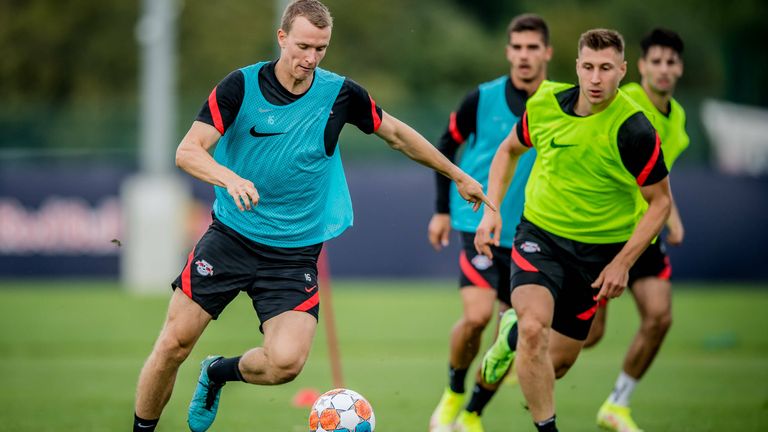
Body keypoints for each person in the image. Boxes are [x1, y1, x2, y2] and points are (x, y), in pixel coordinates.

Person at [131, 1, 494, 431]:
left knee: (286, 363)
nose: (311, 58)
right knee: (173, 345)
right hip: (231, 238)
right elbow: (188, 151)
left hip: (293, 254)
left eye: (320, 49)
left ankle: (217, 372)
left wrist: (458, 175)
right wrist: (230, 178)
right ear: (282, 38)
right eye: (303, 46)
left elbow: (396, 134)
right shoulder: (240, 86)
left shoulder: (340, 94)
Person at [475, 29, 672, 432]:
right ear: (577, 67)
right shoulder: (545, 105)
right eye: (588, 67)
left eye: (606, 69)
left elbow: (661, 203)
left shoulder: (635, 129)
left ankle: (510, 338)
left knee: (558, 363)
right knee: (534, 330)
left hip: (598, 254)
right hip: (540, 236)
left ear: (623, 71)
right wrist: (491, 211)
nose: (596, 79)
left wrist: (622, 263)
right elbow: (508, 149)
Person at [426, 14, 552, 432]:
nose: (524, 55)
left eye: (533, 47)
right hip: (477, 221)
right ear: (508, 52)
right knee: (478, 317)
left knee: (512, 333)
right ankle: (453, 392)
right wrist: (442, 210)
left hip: (534, 232)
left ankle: (473, 413)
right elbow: (446, 145)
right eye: (517, 47)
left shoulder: (561, 104)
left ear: (547, 53)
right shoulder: (481, 98)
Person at [581, 28, 689, 432]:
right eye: (655, 61)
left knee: (660, 317)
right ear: (638, 67)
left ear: (679, 68)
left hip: (645, 235)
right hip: (608, 233)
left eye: (670, 62)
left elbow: (658, 178)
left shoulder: (677, 116)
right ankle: (523, 334)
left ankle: (617, 404)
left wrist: (672, 217)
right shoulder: (622, 103)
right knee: (590, 334)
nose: (663, 69)